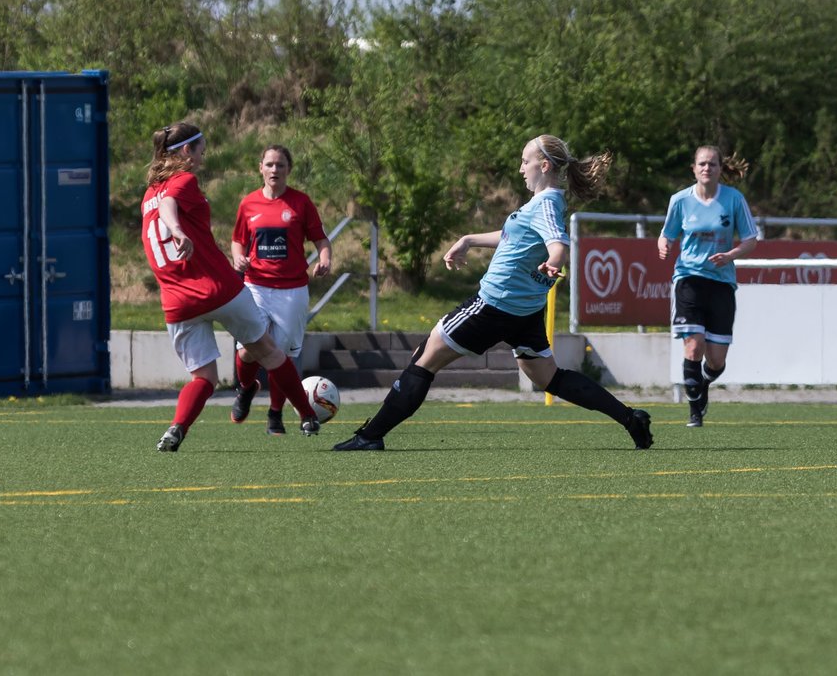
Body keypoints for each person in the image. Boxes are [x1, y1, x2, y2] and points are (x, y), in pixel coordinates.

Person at [333, 134, 653, 451]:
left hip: (494, 305)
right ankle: (630, 419)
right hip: (525, 312)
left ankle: (370, 436)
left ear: (543, 165)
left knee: (423, 360)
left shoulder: (545, 204)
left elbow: (558, 243)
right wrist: (469, 239)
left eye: (525, 161)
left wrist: (554, 261)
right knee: (548, 378)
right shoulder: (547, 201)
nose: (520, 168)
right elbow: (514, 236)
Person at [141, 122, 322, 452]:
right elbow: (170, 207)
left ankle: (177, 428)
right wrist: (179, 231)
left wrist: (179, 230)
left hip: (177, 301)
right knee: (267, 350)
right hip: (217, 288)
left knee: (204, 378)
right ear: (186, 152)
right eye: (201, 150)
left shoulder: (149, 193)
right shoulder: (183, 180)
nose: (203, 156)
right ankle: (308, 416)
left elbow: (163, 205)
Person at [229, 144, 332, 435]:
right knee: (249, 349)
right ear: (260, 168)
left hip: (292, 291)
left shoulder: (300, 203)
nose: (275, 170)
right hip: (255, 287)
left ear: (289, 169)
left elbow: (321, 240)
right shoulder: (248, 204)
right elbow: (238, 240)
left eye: (281, 165)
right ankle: (246, 389)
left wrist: (325, 259)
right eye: (270, 164)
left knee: (280, 356)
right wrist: (238, 256)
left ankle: (275, 414)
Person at [657, 145, 759, 427]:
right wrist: (664, 245)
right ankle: (694, 409)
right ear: (693, 168)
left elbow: (750, 239)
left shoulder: (734, 200)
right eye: (702, 164)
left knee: (716, 360)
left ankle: (702, 384)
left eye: (712, 164)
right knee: (693, 345)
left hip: (722, 283)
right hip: (688, 278)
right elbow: (666, 234)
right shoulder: (680, 200)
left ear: (719, 169)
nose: (706, 168)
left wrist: (730, 255)